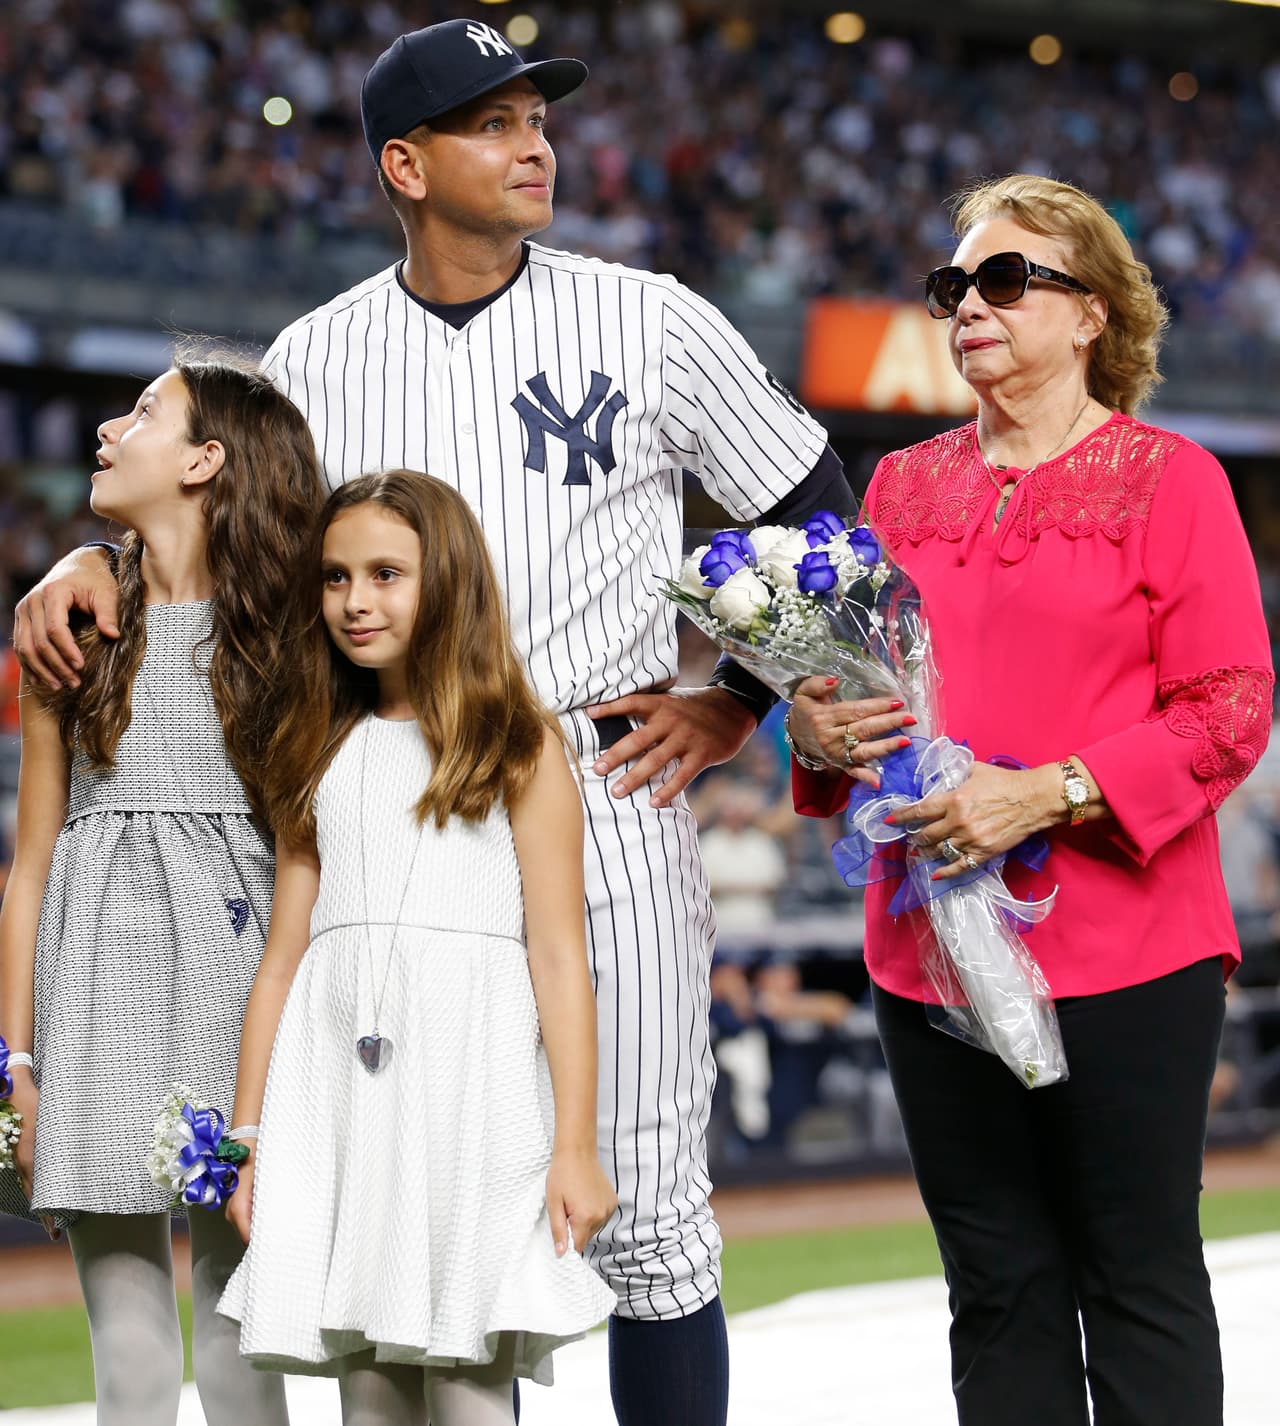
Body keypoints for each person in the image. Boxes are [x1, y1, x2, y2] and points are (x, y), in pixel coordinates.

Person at [11, 21, 861, 1422]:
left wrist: (741, 700)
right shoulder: (313, 355)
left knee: (646, 1218)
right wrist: (88, 560)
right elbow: (205, 534)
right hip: (387, 798)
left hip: (600, 775)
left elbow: (819, 506)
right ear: (405, 164)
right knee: (418, 1213)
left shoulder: (648, 316)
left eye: (537, 116)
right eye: (491, 123)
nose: (533, 143)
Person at [786, 174, 1272, 1426]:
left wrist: (1045, 794)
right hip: (924, 947)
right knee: (993, 1287)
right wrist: (818, 726)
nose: (967, 307)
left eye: (1004, 281)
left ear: (1092, 312)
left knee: (1134, 1276)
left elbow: (1227, 709)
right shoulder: (893, 486)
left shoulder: (1173, 480)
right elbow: (849, 690)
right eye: (955, 287)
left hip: (1128, 946)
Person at [218, 469, 618, 1425]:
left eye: (386, 573)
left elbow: (559, 956)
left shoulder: (518, 743)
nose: (355, 601)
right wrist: (250, 1133)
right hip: (342, 1098)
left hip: (472, 1093)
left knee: (474, 1389)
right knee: (369, 1385)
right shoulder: (316, 742)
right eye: (336, 577)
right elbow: (284, 954)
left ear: (449, 580)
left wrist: (574, 1145)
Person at [0, 355, 323, 1426]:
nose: (106, 429)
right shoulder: (73, 630)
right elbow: (31, 864)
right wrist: (18, 1062)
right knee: (127, 1361)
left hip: (237, 1006)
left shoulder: (286, 636)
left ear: (205, 459)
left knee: (241, 1354)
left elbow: (300, 864)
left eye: (142, 412)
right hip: (89, 1001)